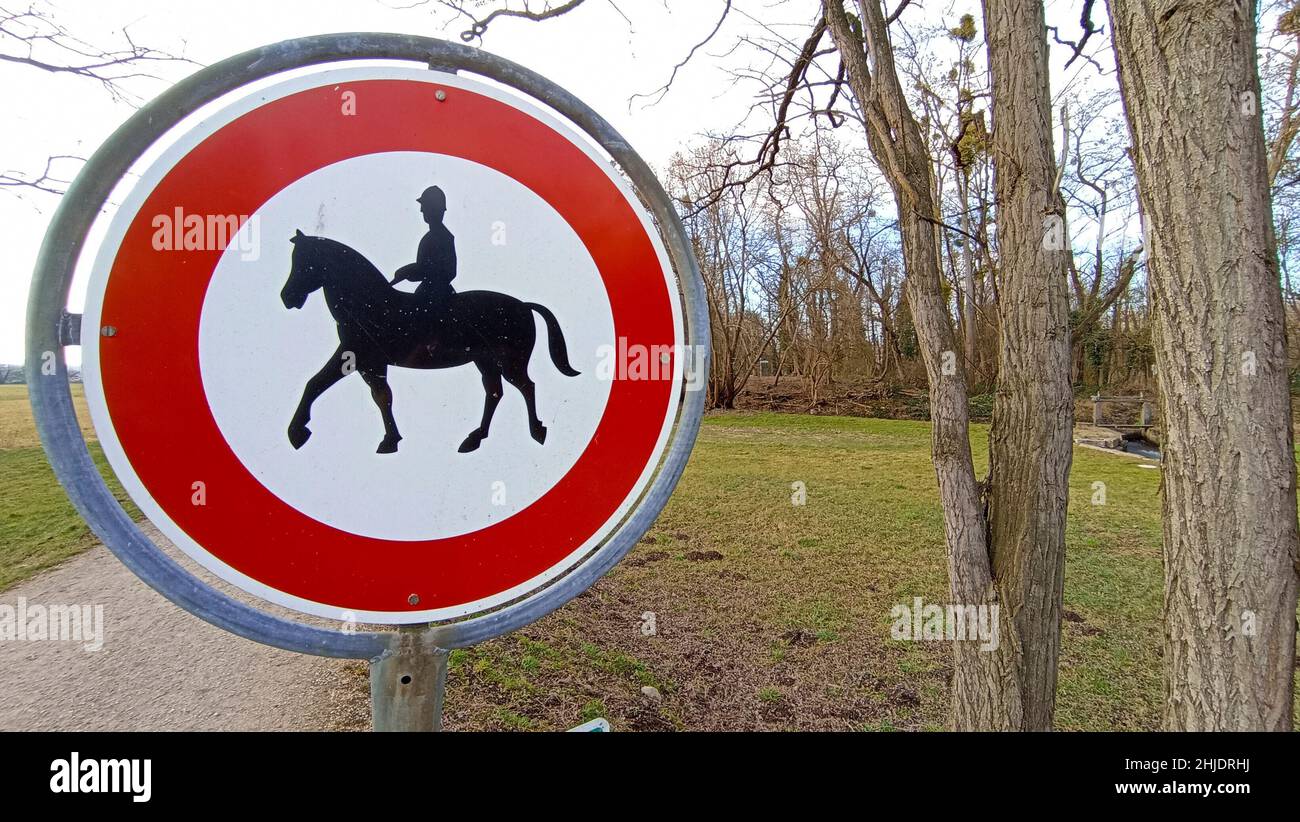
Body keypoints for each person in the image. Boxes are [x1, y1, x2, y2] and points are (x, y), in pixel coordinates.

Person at [391, 185, 457, 309]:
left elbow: (449, 271)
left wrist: (410, 271)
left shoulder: (443, 237)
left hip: (436, 295)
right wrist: (410, 271)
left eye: (424, 206)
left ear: (434, 209)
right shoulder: (430, 237)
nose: (421, 210)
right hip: (430, 292)